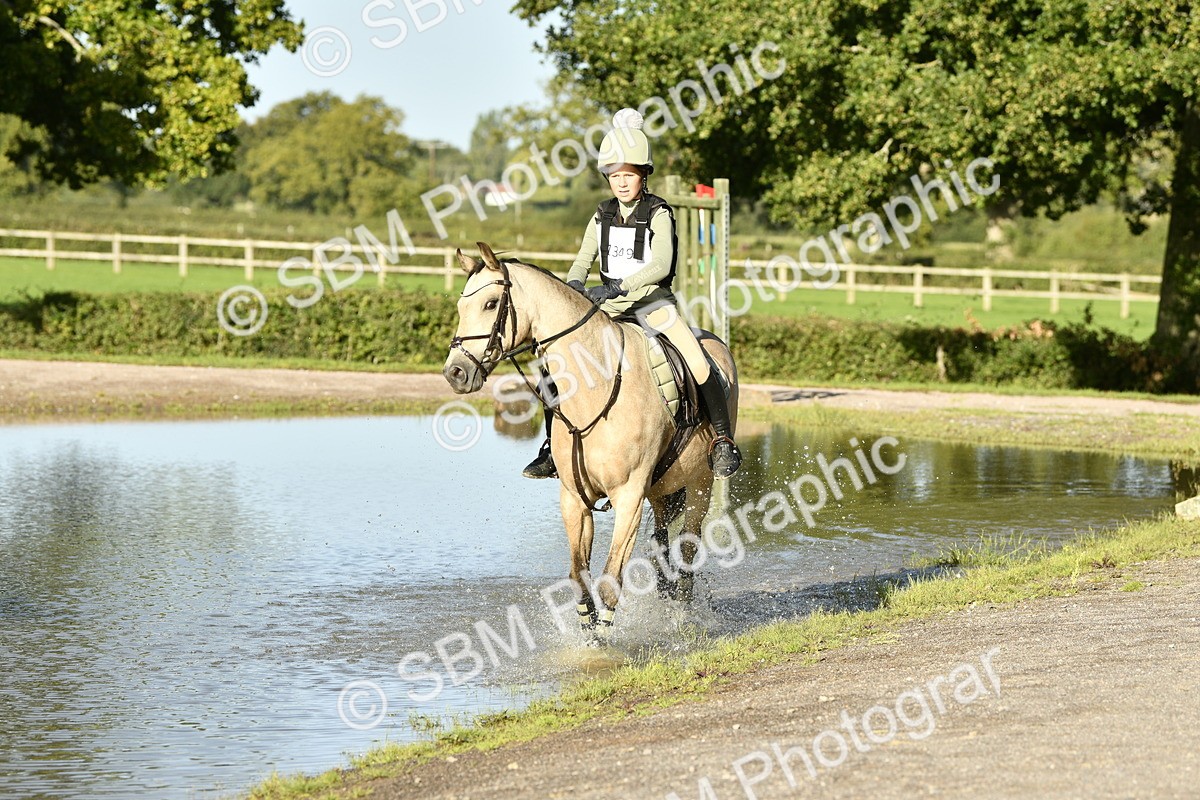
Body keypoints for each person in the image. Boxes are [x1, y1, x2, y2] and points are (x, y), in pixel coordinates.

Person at [523, 108, 743, 480]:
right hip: (610, 312)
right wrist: (572, 287)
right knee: (552, 365)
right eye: (614, 176)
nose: (621, 183)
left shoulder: (659, 213)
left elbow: (659, 266)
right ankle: (550, 446)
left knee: (697, 358)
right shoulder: (601, 215)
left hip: (653, 308)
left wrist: (615, 287)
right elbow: (581, 260)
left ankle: (722, 440)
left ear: (643, 175)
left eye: (629, 175)